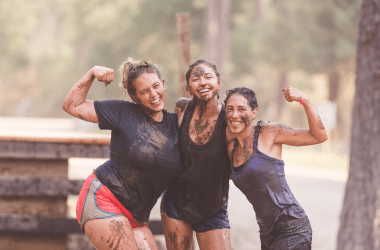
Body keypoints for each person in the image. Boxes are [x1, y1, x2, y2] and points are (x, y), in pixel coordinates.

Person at [62, 59, 181, 250]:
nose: (153, 94)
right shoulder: (122, 112)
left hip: (135, 216)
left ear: (164, 84)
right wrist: (92, 73)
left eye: (156, 86)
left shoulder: (176, 125)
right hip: (102, 200)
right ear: (135, 96)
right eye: (144, 91)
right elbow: (72, 106)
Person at [224, 86, 328, 249]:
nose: (235, 114)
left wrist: (304, 100)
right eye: (229, 109)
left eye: (241, 109)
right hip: (267, 234)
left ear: (254, 112)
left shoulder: (268, 133)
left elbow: (319, 136)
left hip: (293, 229)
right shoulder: (232, 148)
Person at [160, 60, 231, 250]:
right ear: (188, 88)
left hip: (212, 207)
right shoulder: (182, 109)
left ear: (219, 83)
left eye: (208, 77)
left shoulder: (229, 118)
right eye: (196, 79)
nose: (203, 82)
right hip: (176, 202)